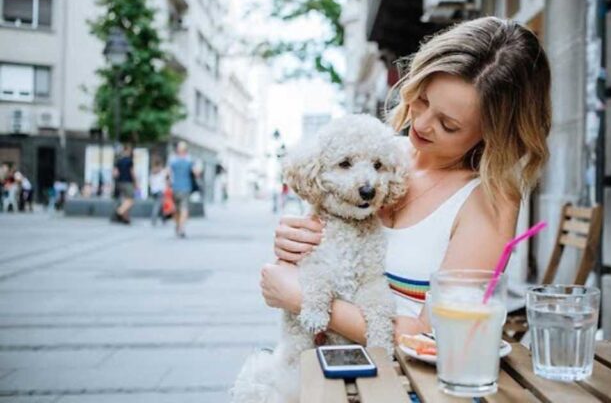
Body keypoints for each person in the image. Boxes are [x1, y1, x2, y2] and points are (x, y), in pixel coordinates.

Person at [260, 17, 552, 344]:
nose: (422, 124)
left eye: (448, 124)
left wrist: (303, 299)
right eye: (423, 98)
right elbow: (317, 257)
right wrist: (294, 243)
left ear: (493, 135)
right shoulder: (380, 156)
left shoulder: (487, 201)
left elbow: (437, 336)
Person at [168, 141, 197, 238]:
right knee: (184, 208)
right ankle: (181, 228)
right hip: (185, 187)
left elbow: (167, 173)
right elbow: (196, 173)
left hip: (175, 187)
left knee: (176, 209)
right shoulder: (189, 160)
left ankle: (178, 226)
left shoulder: (173, 160)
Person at [112, 145, 136, 224]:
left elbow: (115, 173)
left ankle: (126, 219)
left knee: (125, 201)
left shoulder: (118, 161)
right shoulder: (129, 161)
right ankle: (118, 212)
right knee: (130, 201)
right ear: (128, 151)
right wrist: (136, 182)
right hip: (127, 182)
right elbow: (132, 173)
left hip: (120, 183)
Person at [148, 158, 168, 226]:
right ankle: (154, 219)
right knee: (157, 205)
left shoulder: (152, 172)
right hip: (160, 190)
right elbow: (167, 180)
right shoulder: (162, 171)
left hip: (154, 190)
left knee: (160, 205)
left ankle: (163, 218)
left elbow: (150, 182)